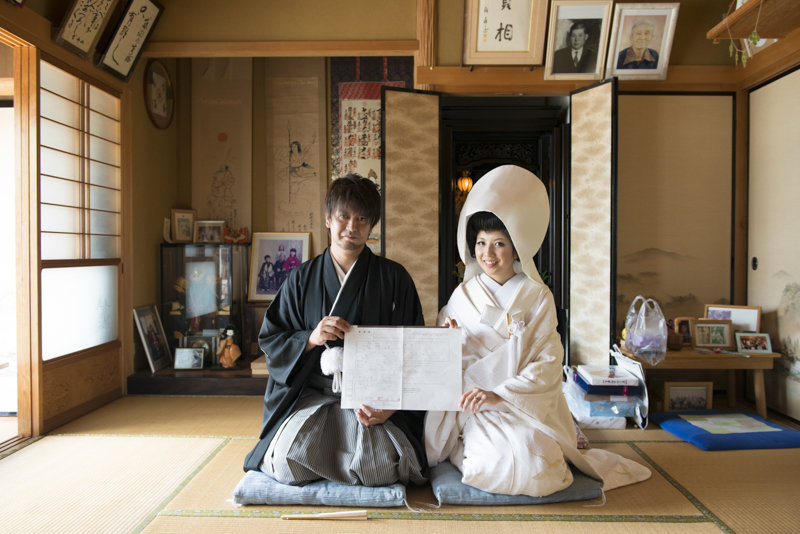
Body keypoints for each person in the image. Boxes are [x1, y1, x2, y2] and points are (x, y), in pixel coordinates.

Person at [426, 165, 651, 497]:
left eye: (499, 243)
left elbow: (548, 362)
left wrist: (500, 395)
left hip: (522, 404)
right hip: (475, 405)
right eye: (481, 242)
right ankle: (464, 445)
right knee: (496, 464)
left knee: (539, 463)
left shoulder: (537, 295)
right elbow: (441, 359)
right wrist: (449, 339)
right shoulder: (462, 296)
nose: (488, 254)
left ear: (516, 247)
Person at [243, 173, 427, 489]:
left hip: (371, 399)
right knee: (287, 463)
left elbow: (415, 349)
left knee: (381, 469)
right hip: (312, 395)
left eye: (362, 218)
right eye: (343, 216)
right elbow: (272, 338)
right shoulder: (301, 278)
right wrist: (310, 338)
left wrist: (391, 405)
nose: (352, 226)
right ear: (328, 218)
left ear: (372, 225)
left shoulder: (394, 278)